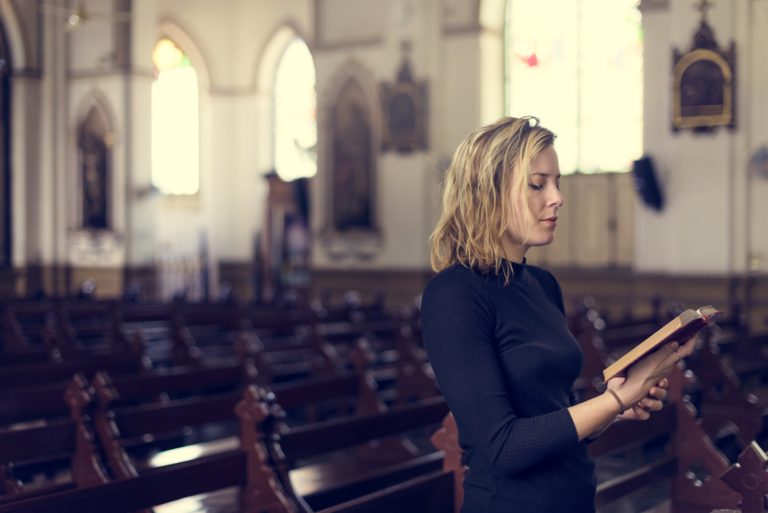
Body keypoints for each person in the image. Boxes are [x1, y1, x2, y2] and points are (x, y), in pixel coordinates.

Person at [420, 116, 695, 513]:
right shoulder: (454, 294)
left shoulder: (542, 284)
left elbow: (553, 420)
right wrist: (615, 400)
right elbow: (503, 447)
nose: (557, 197)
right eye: (537, 184)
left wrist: (614, 409)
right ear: (488, 192)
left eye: (557, 182)